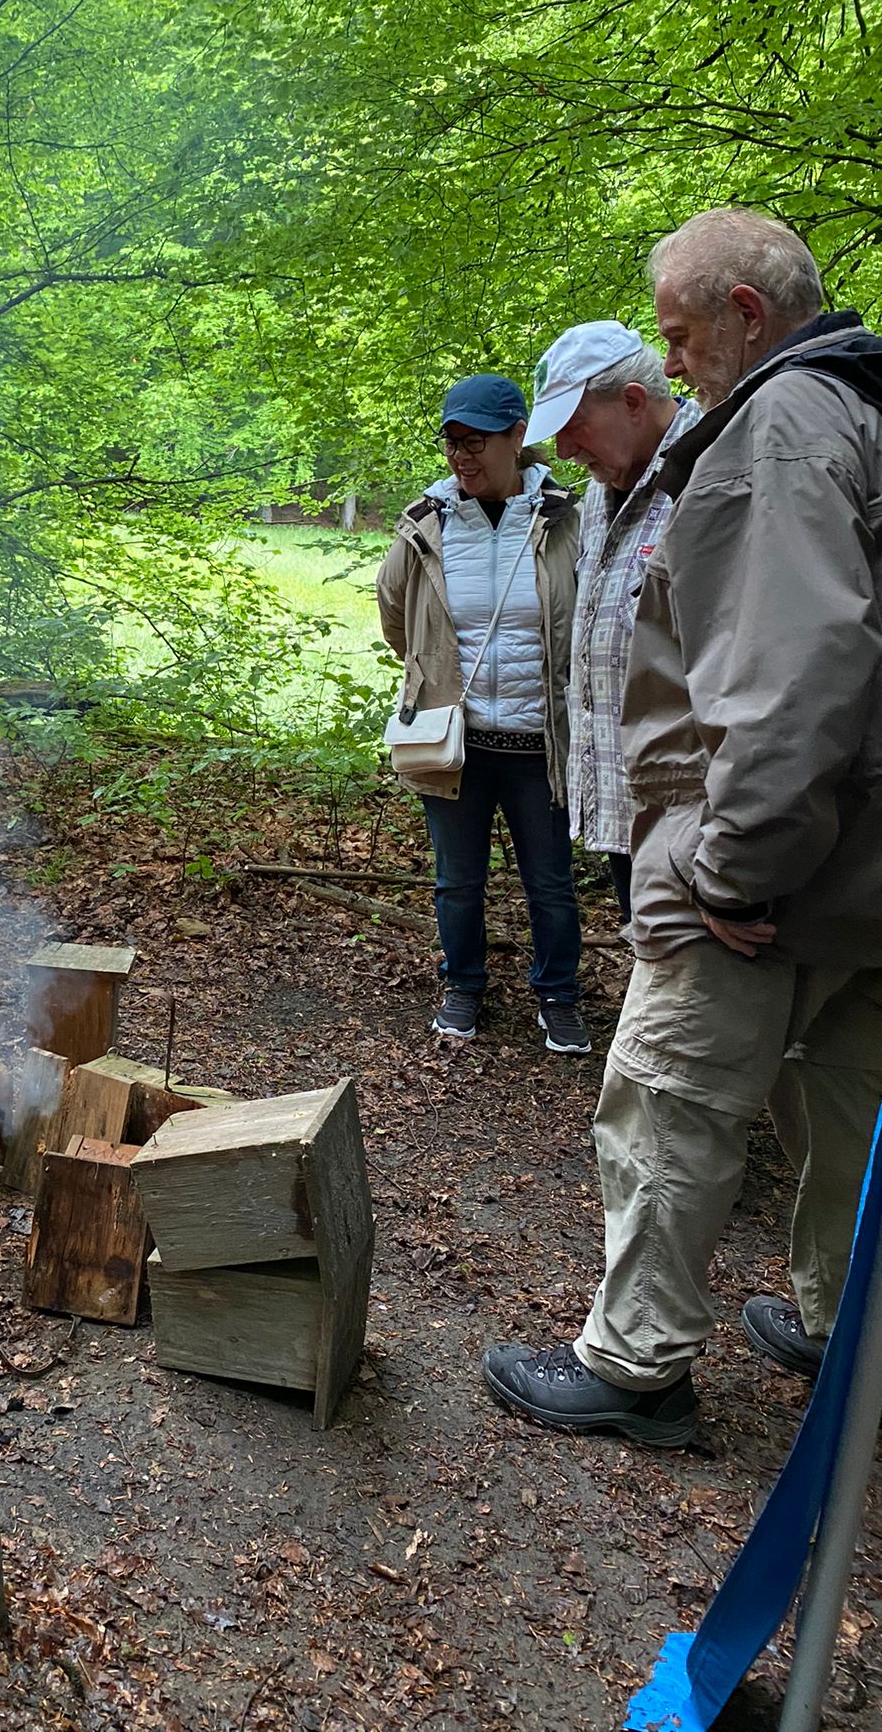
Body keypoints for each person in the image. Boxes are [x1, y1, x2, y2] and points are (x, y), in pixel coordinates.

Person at [483, 208, 882, 1447]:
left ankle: (637, 1363)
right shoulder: (864, 414)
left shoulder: (781, 430)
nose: (678, 363)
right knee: (847, 1103)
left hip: (771, 873)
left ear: (745, 317)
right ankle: (838, 1322)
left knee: (665, 1099)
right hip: (861, 870)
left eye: (682, 337)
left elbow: (791, 670)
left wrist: (732, 867)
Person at [376, 373, 588, 1054]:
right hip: (455, 741)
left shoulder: (563, 518)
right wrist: (434, 671)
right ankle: (463, 985)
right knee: (457, 882)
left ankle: (558, 996)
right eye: (452, 443)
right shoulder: (427, 523)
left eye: (476, 442)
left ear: (517, 436)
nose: (462, 456)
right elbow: (395, 615)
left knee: (551, 885)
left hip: (538, 739)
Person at [524, 320, 702, 925]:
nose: (567, 451)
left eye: (575, 428)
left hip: (698, 828)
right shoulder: (602, 495)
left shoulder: (708, 478)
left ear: (632, 401)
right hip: (625, 812)